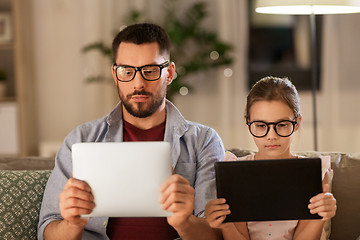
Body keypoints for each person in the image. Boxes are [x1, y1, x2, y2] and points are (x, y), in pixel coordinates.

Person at [38, 23, 225, 240]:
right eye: (127, 71)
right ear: (115, 74)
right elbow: (47, 231)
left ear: (169, 73)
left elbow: (217, 234)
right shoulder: (80, 140)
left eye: (150, 71)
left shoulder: (204, 141)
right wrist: (72, 224)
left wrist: (184, 221)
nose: (138, 83)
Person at [205, 76, 337, 240]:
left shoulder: (313, 172)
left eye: (282, 125)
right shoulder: (236, 172)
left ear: (296, 123)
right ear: (249, 122)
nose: (271, 136)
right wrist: (226, 224)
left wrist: (321, 218)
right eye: (261, 126)